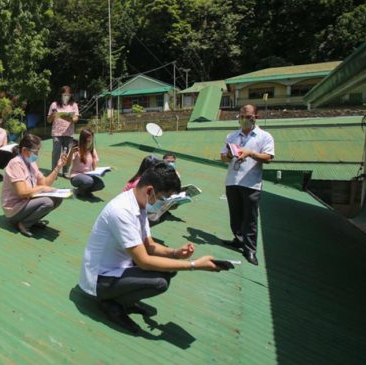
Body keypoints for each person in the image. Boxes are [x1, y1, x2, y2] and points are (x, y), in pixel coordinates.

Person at [78, 166, 221, 334]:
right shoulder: (122, 211)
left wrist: (176, 253)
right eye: (163, 197)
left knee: (170, 268)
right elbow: (144, 261)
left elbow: (149, 245)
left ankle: (123, 299)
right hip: (98, 279)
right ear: (150, 190)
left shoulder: (139, 203)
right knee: (159, 282)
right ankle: (110, 304)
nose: (165, 202)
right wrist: (194, 265)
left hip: (118, 266)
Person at [220, 104, 275, 265]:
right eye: (241, 116)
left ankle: (250, 249)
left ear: (255, 117)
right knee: (235, 214)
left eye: (248, 116)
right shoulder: (231, 136)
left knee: (250, 217)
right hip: (232, 180)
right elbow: (223, 157)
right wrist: (230, 155)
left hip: (251, 182)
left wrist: (250, 153)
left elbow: (268, 158)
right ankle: (238, 239)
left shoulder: (264, 136)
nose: (244, 119)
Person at [1, 134, 67, 237]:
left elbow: (44, 183)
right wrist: (42, 189)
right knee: (47, 202)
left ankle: (31, 220)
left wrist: (58, 167)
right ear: (24, 150)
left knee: (58, 198)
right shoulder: (15, 164)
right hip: (14, 208)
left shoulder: (31, 163)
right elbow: (22, 193)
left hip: (26, 202)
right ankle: (24, 224)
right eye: (35, 152)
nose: (37, 155)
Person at [47, 86, 80, 176]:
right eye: (64, 94)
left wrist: (72, 119)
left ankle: (65, 172)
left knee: (67, 153)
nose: (66, 96)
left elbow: (76, 118)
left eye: (68, 94)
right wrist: (52, 115)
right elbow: (49, 120)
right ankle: (54, 172)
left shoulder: (73, 105)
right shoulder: (54, 104)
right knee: (56, 153)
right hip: (57, 132)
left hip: (69, 133)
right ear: (60, 94)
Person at [66, 128, 104, 198]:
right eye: (88, 141)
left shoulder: (92, 150)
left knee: (100, 184)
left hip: (88, 175)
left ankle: (85, 191)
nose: (90, 143)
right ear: (83, 140)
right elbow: (67, 164)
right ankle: (77, 191)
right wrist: (71, 152)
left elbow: (95, 168)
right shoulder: (76, 150)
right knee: (88, 181)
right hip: (76, 176)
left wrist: (101, 172)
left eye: (91, 140)